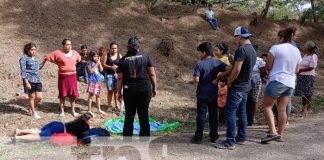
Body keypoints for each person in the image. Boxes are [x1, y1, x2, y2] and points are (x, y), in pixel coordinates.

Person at [215, 26, 256, 149]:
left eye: (236, 37)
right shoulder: (252, 49)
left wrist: (229, 82)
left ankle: (229, 141)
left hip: (237, 86)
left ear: (239, 37)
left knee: (230, 113)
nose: (235, 40)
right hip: (246, 86)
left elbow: (237, 69)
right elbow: (235, 67)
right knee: (242, 112)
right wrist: (223, 75)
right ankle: (241, 137)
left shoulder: (241, 50)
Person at [261, 28, 302, 144]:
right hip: (290, 82)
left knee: (268, 107)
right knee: (282, 109)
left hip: (277, 80)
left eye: (278, 37)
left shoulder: (276, 48)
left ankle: (273, 132)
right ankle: (280, 135)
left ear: (282, 37)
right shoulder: (297, 51)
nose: (277, 39)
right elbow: (297, 69)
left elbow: (268, 66)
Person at [191, 42, 231, 144]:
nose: (199, 55)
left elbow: (196, 80)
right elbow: (230, 69)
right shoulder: (217, 62)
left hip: (202, 93)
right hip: (213, 93)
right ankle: (214, 136)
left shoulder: (199, 64)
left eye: (199, 53)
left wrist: (196, 79)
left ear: (204, 52)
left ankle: (198, 137)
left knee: (201, 116)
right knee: (213, 115)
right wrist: (218, 77)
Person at [116, 37, 157, 136]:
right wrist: (154, 87)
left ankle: (127, 138)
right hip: (144, 88)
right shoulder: (146, 57)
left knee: (129, 114)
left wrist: (118, 92)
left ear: (128, 46)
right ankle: (144, 138)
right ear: (138, 46)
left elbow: (120, 78)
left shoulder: (123, 60)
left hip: (129, 89)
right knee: (143, 113)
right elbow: (152, 74)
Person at [41, 39, 81, 117]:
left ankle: (73, 111)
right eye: (67, 44)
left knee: (72, 94)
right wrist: (57, 63)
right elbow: (47, 57)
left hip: (73, 76)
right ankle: (62, 111)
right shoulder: (58, 53)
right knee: (62, 94)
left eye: (70, 44)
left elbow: (79, 59)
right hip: (63, 76)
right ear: (63, 45)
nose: (69, 46)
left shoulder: (74, 53)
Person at [13, 112, 94, 142]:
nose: (92, 122)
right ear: (87, 120)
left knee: (39, 132)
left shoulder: (78, 120)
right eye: (91, 120)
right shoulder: (84, 127)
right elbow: (83, 138)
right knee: (39, 137)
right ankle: (18, 138)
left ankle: (19, 131)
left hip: (57, 123)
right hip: (59, 129)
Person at [19, 42, 43, 119]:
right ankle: (33, 112)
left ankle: (30, 108)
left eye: (35, 50)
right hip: (29, 80)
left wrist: (45, 60)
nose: (34, 51)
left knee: (39, 97)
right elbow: (23, 71)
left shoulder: (36, 58)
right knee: (31, 97)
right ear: (27, 50)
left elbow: (38, 67)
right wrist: (26, 82)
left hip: (38, 80)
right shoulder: (23, 58)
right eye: (32, 50)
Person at [294, 40, 318, 115]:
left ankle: (309, 108)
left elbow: (311, 67)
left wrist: (300, 70)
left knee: (308, 92)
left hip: (308, 75)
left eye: (305, 47)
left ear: (309, 48)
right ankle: (303, 108)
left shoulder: (313, 56)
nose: (304, 48)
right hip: (302, 75)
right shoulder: (305, 55)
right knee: (302, 92)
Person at [246, 45, 266, 126]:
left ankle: (252, 117)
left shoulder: (259, 60)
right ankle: (247, 117)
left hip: (256, 82)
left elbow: (264, 72)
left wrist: (259, 78)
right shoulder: (246, 59)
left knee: (254, 100)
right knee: (247, 100)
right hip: (246, 82)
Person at [102, 43, 122, 112]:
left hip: (117, 76)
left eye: (115, 48)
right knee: (110, 91)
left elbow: (122, 65)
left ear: (117, 49)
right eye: (112, 48)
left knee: (116, 91)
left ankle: (117, 105)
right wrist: (111, 67)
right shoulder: (106, 55)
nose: (114, 49)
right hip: (109, 75)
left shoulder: (119, 55)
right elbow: (103, 64)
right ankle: (109, 106)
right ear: (110, 48)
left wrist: (118, 67)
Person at [86, 51, 106, 115]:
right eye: (95, 56)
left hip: (98, 81)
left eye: (97, 56)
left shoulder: (97, 62)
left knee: (98, 95)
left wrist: (99, 63)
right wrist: (96, 65)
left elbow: (101, 70)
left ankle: (99, 109)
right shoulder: (89, 63)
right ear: (91, 57)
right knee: (91, 96)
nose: (96, 57)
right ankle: (89, 110)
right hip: (92, 81)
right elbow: (90, 71)